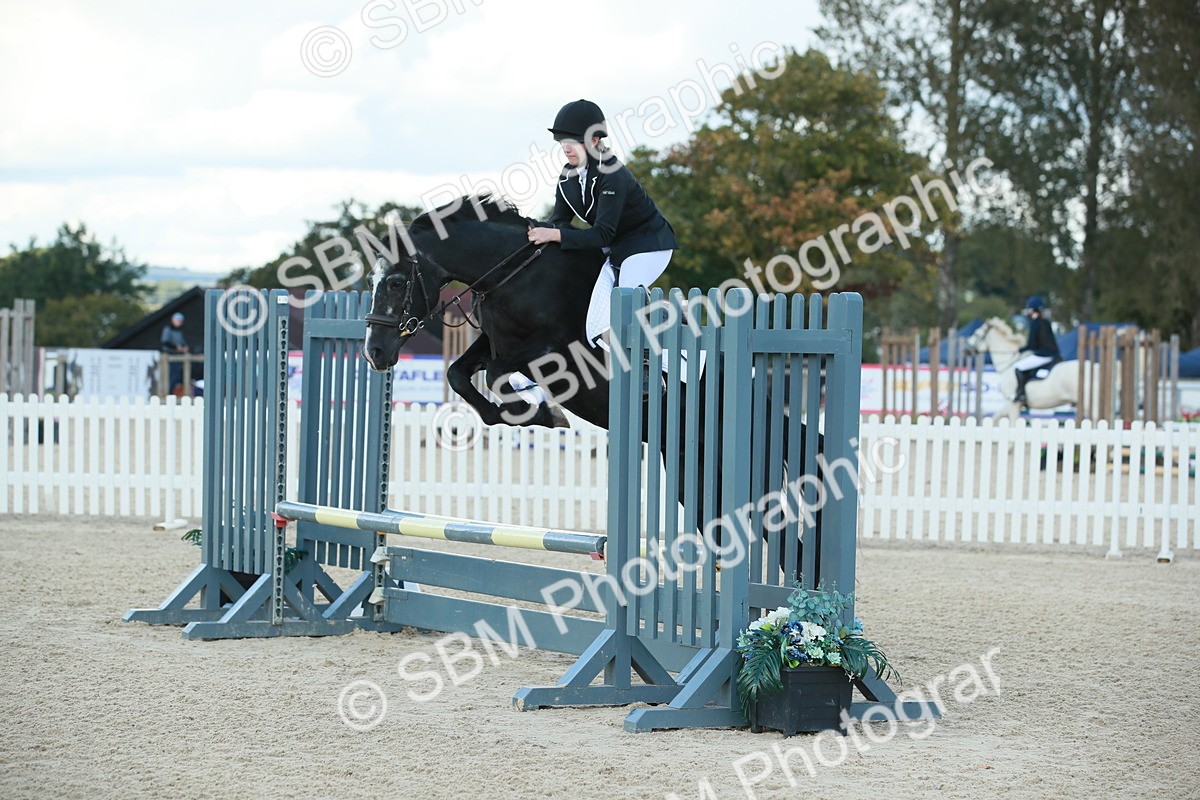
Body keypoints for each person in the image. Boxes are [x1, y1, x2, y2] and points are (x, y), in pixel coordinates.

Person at [528, 99, 679, 350]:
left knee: (622, 307)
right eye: (562, 141)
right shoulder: (568, 177)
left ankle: (658, 365)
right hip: (618, 250)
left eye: (573, 141)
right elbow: (559, 222)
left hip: (649, 246)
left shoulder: (613, 174)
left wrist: (553, 235)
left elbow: (602, 235)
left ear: (595, 141)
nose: (566, 148)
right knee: (594, 317)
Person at [1013, 295, 1061, 405]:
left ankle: (1021, 394)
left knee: (1018, 367)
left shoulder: (1035, 323)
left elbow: (1032, 344)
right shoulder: (1046, 321)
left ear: (1032, 310)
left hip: (1043, 354)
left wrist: (1020, 350)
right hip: (1053, 353)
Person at [161, 311, 189, 395]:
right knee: (170, 376)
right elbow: (165, 342)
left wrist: (184, 347)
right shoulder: (168, 330)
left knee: (176, 376)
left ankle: (171, 393)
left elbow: (182, 342)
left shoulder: (179, 331)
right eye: (178, 321)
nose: (179, 323)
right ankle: (167, 393)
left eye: (180, 321)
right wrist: (176, 347)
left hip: (178, 357)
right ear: (173, 320)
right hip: (169, 356)